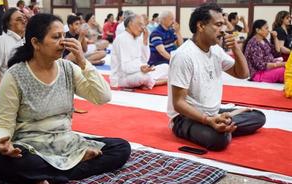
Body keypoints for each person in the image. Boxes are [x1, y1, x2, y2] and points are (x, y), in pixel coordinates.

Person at [0, 13, 131, 184]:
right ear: (35, 43)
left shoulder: (68, 69)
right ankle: (72, 165)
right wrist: (2, 140)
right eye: (56, 37)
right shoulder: (15, 76)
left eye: (64, 36)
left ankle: (49, 176)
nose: (63, 42)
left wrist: (82, 61)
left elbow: (103, 96)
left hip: (66, 143)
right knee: (3, 162)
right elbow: (3, 121)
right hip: (31, 147)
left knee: (121, 148)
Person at [168, 3, 266, 151]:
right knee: (219, 139)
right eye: (218, 25)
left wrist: (235, 48)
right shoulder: (183, 56)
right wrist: (207, 120)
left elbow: (243, 74)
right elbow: (179, 103)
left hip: (213, 112)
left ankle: (223, 122)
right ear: (201, 26)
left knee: (259, 116)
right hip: (186, 118)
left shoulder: (215, 50)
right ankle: (223, 124)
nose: (223, 30)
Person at [110, 14, 165, 89]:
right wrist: (140, 68)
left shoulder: (138, 38)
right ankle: (157, 82)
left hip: (137, 71)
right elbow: (125, 67)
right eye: (140, 24)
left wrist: (145, 41)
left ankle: (149, 81)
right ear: (130, 24)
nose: (142, 28)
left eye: (143, 25)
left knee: (166, 67)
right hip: (123, 77)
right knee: (143, 77)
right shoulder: (122, 39)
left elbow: (145, 59)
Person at [0, 8, 26, 103]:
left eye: (24, 18)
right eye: (19, 19)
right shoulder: (1, 41)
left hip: (22, 95)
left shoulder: (25, 42)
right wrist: (7, 91)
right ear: (8, 23)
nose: (23, 21)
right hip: (3, 96)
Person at [148, 11, 183, 80]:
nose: (173, 21)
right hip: (159, 63)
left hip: (168, 61)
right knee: (168, 69)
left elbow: (181, 45)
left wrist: (178, 32)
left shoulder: (171, 31)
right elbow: (162, 52)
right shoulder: (156, 33)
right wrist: (174, 61)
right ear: (163, 20)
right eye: (171, 19)